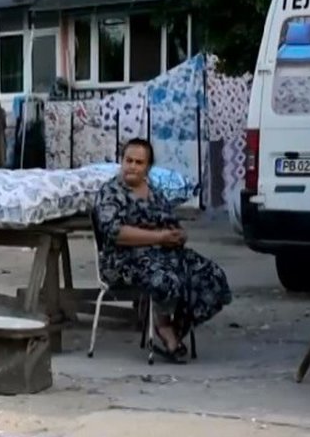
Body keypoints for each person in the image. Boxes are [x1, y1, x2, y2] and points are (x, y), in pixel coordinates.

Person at [94, 138, 232, 362]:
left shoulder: (154, 192)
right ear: (122, 161)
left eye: (139, 162)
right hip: (124, 259)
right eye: (128, 160)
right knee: (166, 279)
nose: (132, 166)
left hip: (164, 253)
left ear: (147, 167)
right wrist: (158, 237)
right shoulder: (111, 192)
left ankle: (178, 328)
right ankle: (164, 326)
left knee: (210, 275)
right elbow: (115, 232)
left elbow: (170, 222)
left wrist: (178, 235)